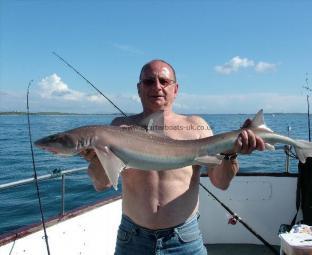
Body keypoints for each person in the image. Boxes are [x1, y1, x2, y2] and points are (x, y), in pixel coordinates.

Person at [82, 59, 265, 255]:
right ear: (139, 88)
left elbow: (220, 183)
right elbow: (102, 184)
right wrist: (95, 158)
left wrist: (230, 155)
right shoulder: (119, 127)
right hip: (133, 239)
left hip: (184, 239)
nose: (157, 87)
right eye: (149, 81)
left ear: (175, 88)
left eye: (163, 81)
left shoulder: (196, 127)